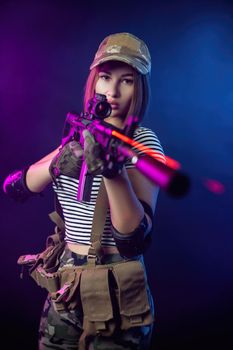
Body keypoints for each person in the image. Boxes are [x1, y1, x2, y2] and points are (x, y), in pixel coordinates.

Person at [3, 32, 165, 350]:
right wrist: (57, 162)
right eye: (105, 77)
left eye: (127, 80)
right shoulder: (78, 134)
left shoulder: (142, 144)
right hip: (65, 288)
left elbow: (134, 238)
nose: (113, 91)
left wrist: (111, 172)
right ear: (94, 82)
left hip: (117, 295)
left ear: (140, 88)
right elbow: (15, 187)